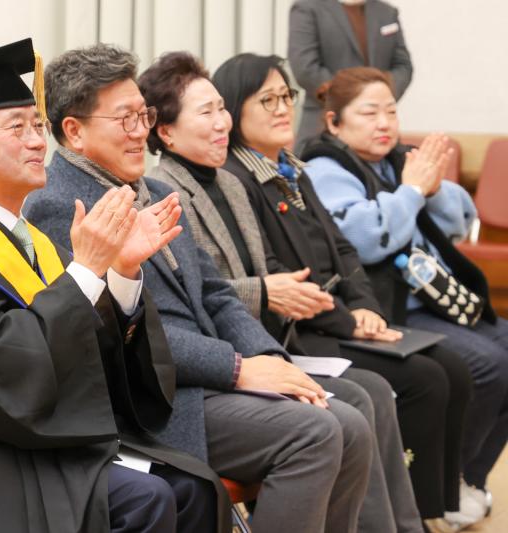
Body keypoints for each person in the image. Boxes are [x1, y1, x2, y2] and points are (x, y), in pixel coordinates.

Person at [0, 38, 229, 533]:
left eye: (37, 126)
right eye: (17, 128)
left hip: (42, 433)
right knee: (145, 499)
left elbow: (86, 355)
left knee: (193, 487)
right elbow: (1, 375)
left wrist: (121, 272)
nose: (39, 141)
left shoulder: (29, 239)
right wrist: (85, 271)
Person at [26, 42, 375, 533]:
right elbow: (116, 331)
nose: (140, 133)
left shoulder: (160, 192)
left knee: (353, 421)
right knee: (313, 433)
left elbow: (215, 294)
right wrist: (236, 368)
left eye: (142, 116)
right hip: (155, 397)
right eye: (124, 120)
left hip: (205, 378)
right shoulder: (60, 206)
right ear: (74, 131)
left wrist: (266, 357)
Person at [140, 50, 424, 533]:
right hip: (211, 371)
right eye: (206, 112)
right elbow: (209, 298)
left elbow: (251, 279)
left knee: (367, 393)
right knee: (352, 405)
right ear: (165, 133)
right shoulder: (164, 190)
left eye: (221, 109)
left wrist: (275, 349)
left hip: (261, 342)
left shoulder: (230, 184)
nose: (221, 123)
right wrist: (268, 304)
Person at [211, 52, 471, 530]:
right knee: (416, 380)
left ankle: (428, 511)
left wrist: (366, 309)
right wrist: (350, 320)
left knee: (449, 365)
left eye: (286, 96)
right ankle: (416, 516)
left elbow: (346, 252)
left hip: (340, 316)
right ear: (232, 110)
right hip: (302, 332)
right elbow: (280, 275)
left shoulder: (293, 168)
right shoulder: (238, 178)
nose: (282, 107)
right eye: (266, 99)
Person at [302, 65, 508, 529]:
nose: (384, 123)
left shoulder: (397, 161)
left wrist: (428, 187)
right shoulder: (324, 170)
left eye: (391, 112)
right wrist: (413, 189)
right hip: (387, 309)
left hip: (433, 301)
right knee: (486, 365)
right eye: (369, 112)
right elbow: (367, 237)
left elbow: (458, 220)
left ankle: (464, 478)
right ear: (334, 122)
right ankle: (446, 484)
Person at [288, 0, 412, 152]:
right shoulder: (308, 8)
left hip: (379, 135)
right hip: (323, 125)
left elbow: (403, 66)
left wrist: (380, 95)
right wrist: (351, 100)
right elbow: (305, 68)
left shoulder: (386, 11)